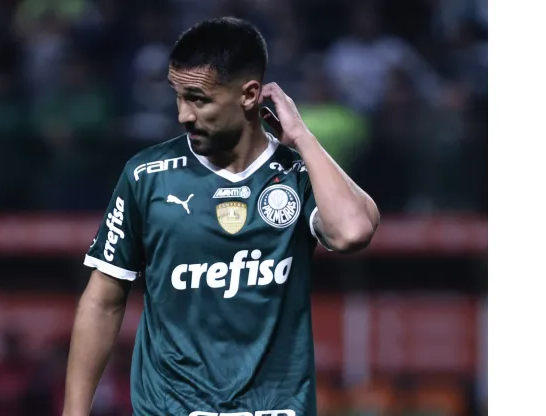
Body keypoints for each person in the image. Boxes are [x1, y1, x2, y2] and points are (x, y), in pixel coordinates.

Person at [63, 17, 380, 416]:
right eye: (178, 96)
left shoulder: (295, 176)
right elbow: (102, 301)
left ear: (249, 95)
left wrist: (303, 138)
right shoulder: (147, 176)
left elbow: (353, 231)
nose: (184, 115)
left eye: (198, 99)